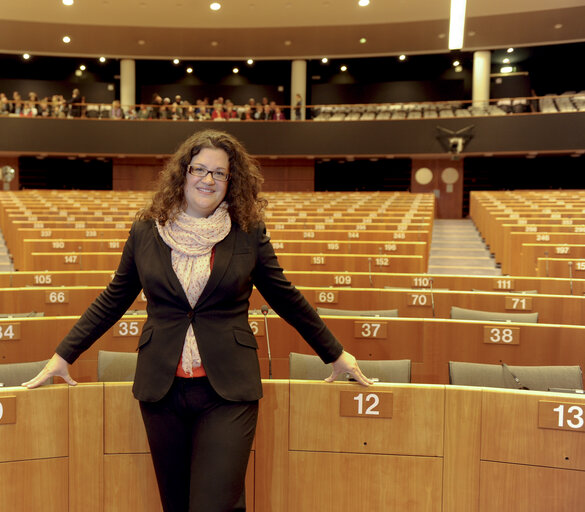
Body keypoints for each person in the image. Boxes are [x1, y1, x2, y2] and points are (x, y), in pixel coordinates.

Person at [22, 129, 372, 512]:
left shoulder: (247, 234)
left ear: (230, 182)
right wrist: (64, 354)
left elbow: (285, 296)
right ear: (183, 173)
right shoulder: (144, 232)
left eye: (219, 173)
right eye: (199, 169)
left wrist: (335, 353)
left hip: (227, 391)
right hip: (162, 391)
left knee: (212, 503)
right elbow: (114, 298)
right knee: (177, 503)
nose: (207, 179)